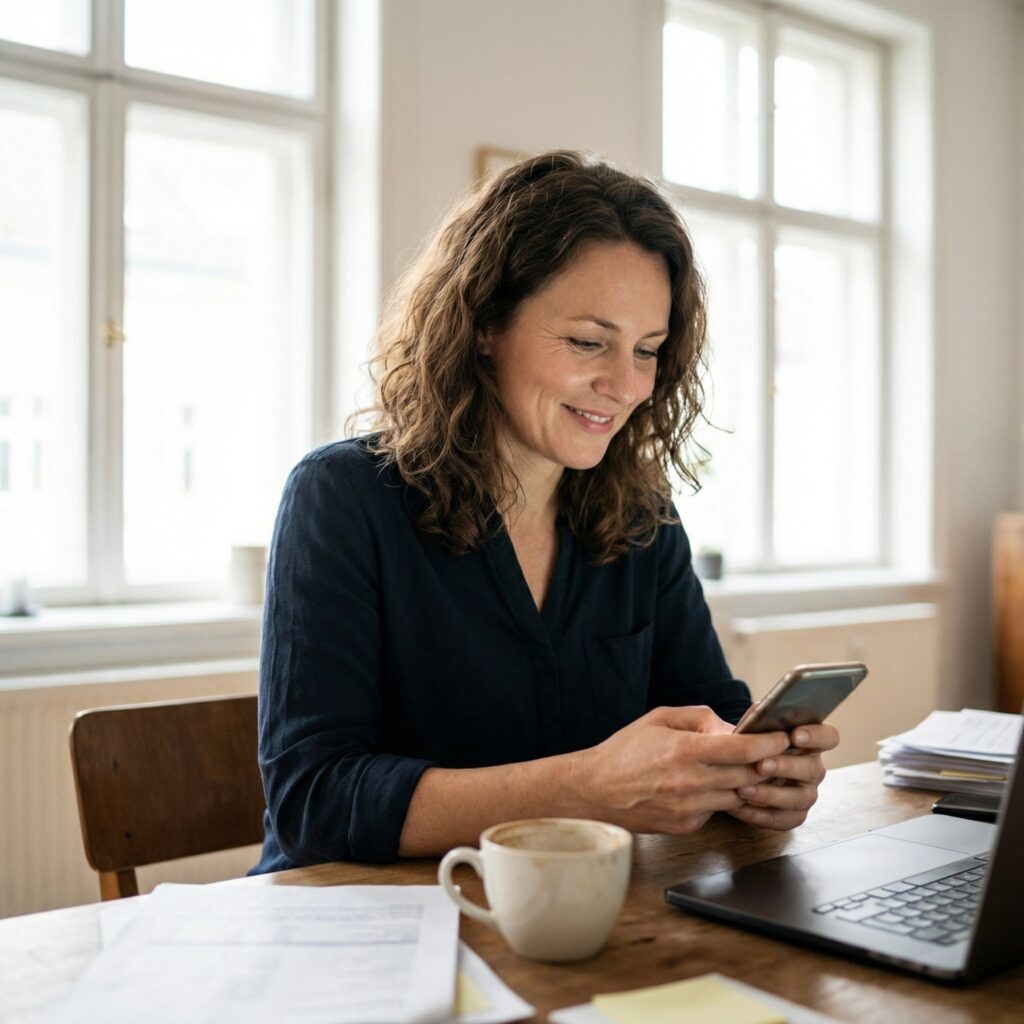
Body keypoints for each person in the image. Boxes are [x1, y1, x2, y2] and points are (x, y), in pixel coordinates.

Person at [251, 150, 838, 872]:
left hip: (579, 916)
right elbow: (314, 802)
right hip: (366, 930)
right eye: (589, 342)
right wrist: (585, 788)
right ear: (483, 325)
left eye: (648, 350)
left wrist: (754, 779)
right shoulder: (341, 499)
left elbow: (708, 713)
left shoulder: (642, 514)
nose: (625, 385)